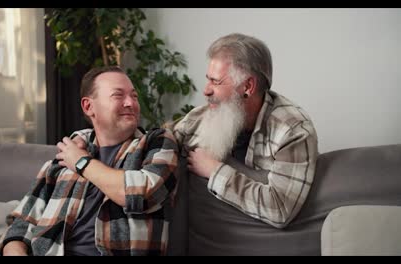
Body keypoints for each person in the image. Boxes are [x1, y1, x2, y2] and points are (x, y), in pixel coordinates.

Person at [70, 33, 318, 230]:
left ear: (248, 86)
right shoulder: (199, 120)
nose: (206, 90)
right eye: (208, 79)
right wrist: (87, 140)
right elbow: (148, 144)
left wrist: (214, 171)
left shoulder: (293, 130)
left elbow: (280, 209)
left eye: (216, 82)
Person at [0, 66, 179, 256]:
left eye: (133, 96)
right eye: (118, 96)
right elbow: (20, 224)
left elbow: (144, 194)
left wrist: (82, 162)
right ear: (88, 106)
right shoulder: (67, 155)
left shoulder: (156, 143)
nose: (130, 103)